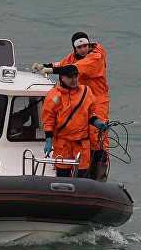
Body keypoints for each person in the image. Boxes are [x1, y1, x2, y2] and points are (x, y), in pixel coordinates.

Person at [32, 32, 111, 180]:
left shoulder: (96, 57)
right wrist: (46, 66)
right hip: (76, 101)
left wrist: (54, 70)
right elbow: (63, 65)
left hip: (97, 99)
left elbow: (77, 68)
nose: (83, 49)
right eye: (79, 47)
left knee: (97, 138)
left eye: (85, 46)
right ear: (75, 48)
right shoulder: (57, 93)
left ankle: (98, 176)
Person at [41, 64, 108, 179]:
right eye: (70, 77)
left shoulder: (86, 92)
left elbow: (90, 113)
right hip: (63, 144)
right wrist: (49, 140)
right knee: (62, 177)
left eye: (76, 76)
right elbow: (48, 120)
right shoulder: (54, 96)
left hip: (81, 143)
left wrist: (97, 123)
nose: (74, 80)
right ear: (62, 77)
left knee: (83, 177)